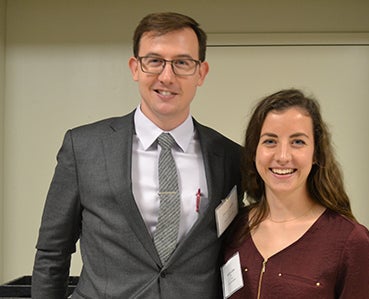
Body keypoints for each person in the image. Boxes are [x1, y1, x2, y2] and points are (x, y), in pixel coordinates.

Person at [32, 12, 242, 299]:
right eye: (154, 61)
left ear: (201, 73)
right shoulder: (84, 148)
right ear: (135, 68)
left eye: (182, 63)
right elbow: (51, 253)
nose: (167, 76)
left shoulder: (230, 157)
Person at [223, 89, 369, 298]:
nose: (282, 156)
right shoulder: (235, 227)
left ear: (316, 154)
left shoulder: (350, 240)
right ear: (254, 151)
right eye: (270, 141)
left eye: (298, 142)